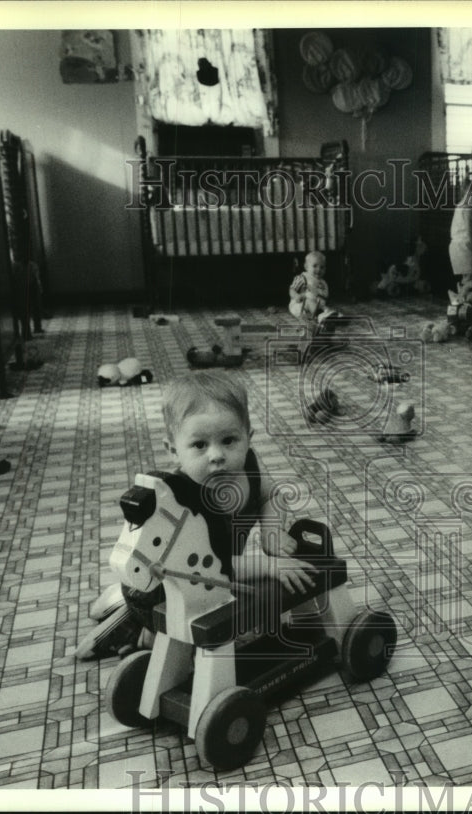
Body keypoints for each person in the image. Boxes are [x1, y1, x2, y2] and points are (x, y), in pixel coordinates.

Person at [77, 371, 319, 658]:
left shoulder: (249, 469)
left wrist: (272, 529)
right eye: (200, 445)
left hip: (216, 578)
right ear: (173, 450)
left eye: (229, 440)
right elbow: (216, 567)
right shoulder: (184, 502)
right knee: (186, 632)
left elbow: (272, 494)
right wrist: (268, 566)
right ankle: (137, 627)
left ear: (248, 438)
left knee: (230, 605)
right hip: (169, 587)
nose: (216, 455)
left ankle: (119, 605)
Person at [289, 250, 333, 322]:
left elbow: (324, 296)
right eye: (315, 266)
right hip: (300, 305)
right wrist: (296, 296)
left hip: (316, 305)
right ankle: (320, 315)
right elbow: (292, 289)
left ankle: (330, 316)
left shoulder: (323, 283)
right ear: (306, 267)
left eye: (322, 267)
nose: (318, 269)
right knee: (309, 301)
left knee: (326, 308)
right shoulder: (303, 278)